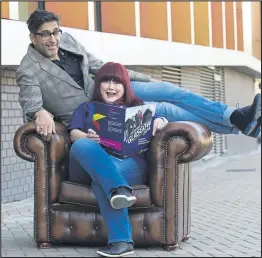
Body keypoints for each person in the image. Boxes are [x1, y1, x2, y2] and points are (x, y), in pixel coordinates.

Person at [16, 9, 261, 142]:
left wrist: (142, 78)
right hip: (95, 112)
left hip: (106, 86)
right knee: (166, 109)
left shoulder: (66, 40)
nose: (53, 39)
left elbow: (100, 66)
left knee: (167, 90)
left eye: (55, 32)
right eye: (46, 34)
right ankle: (239, 125)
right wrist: (40, 112)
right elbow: (30, 102)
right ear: (33, 37)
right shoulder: (28, 69)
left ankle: (234, 116)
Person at [68, 62, 168, 257]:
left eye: (117, 82)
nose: (111, 87)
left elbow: (164, 117)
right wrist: (86, 137)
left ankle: (121, 242)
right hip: (88, 162)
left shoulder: (138, 108)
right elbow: (73, 134)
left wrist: (161, 121)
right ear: (99, 84)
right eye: (106, 81)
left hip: (128, 164)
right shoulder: (86, 107)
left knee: (103, 181)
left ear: (125, 86)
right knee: (80, 145)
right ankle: (117, 188)